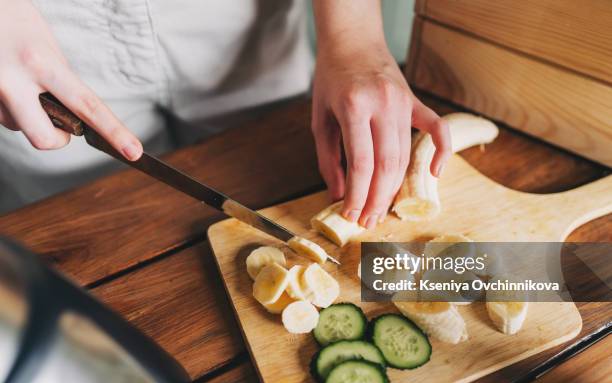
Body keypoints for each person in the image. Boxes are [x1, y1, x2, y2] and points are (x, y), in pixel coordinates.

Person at [0, 0, 450, 227]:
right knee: (75, 226)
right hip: (39, 34)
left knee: (288, 176)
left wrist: (354, 36)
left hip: (238, 23)